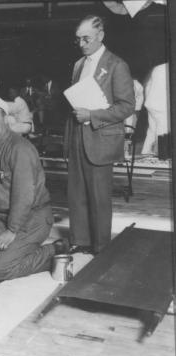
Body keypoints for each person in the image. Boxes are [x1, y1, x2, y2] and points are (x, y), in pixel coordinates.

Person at [0, 96, 66, 281]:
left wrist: (12, 231)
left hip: (31, 218)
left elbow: (24, 196)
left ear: (5, 118)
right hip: (2, 215)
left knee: (1, 269)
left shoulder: (19, 149)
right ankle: (5, 250)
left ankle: (53, 250)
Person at [64, 15, 135, 255]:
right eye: (78, 39)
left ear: (101, 36)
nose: (82, 43)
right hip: (77, 138)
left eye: (86, 38)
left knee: (99, 198)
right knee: (77, 193)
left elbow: (127, 106)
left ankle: (101, 247)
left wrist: (92, 116)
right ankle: (80, 240)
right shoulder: (77, 65)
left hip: (100, 139)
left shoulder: (117, 65)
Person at [141, 63, 169, 157]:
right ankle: (162, 157)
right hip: (161, 105)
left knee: (152, 130)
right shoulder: (167, 68)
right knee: (163, 132)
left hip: (151, 103)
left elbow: (147, 85)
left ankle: (144, 153)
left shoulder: (158, 67)